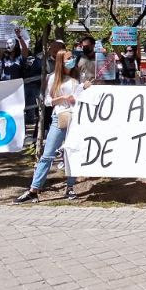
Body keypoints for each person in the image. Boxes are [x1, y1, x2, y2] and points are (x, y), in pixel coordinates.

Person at [14, 49, 90, 203]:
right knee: (47, 155)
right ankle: (34, 190)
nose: (72, 60)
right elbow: (47, 100)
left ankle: (70, 187)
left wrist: (84, 88)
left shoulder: (77, 76)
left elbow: (80, 97)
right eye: (69, 58)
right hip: (60, 117)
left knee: (71, 153)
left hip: (75, 119)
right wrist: (62, 98)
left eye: (72, 58)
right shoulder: (53, 78)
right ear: (61, 61)